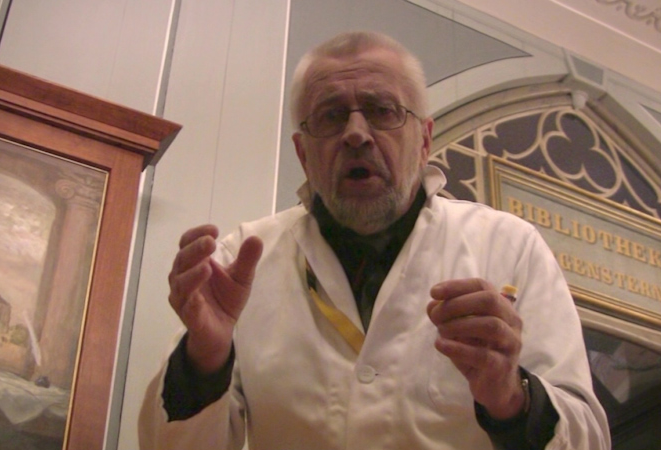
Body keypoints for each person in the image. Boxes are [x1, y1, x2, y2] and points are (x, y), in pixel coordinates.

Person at [139, 31, 611, 450]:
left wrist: (511, 397)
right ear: (303, 154)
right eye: (331, 116)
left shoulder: (509, 247)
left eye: (383, 111)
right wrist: (205, 359)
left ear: (424, 140)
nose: (356, 134)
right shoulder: (241, 262)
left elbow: (589, 438)